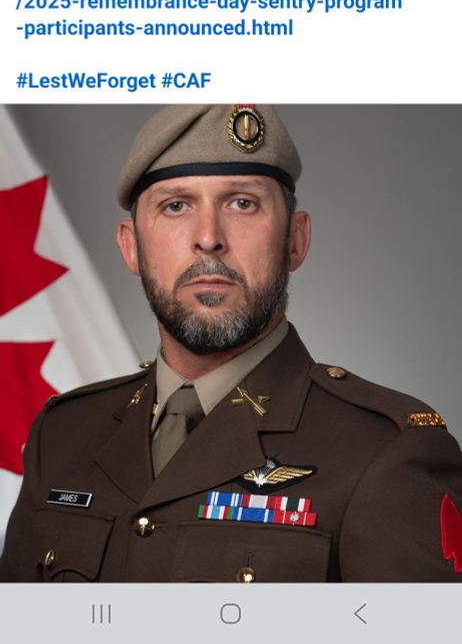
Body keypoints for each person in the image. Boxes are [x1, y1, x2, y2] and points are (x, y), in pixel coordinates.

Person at [1, 103, 461, 583]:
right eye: (175, 205)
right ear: (131, 247)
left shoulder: (384, 453)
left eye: (242, 202)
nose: (208, 238)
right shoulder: (61, 437)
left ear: (295, 241)